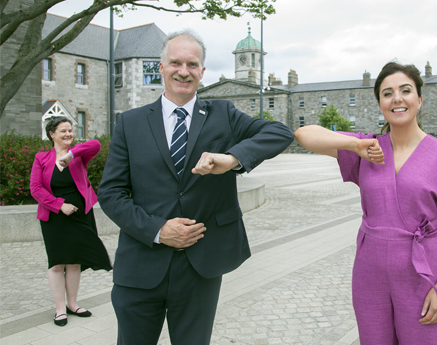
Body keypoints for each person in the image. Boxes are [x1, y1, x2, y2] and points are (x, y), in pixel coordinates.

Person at [97, 29, 293, 345]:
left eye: (192, 64)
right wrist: (159, 230)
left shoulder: (223, 114)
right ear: (161, 68)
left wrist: (232, 158)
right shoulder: (130, 123)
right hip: (141, 264)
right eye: (175, 62)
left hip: (200, 266)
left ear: (203, 72)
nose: (183, 71)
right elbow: (110, 193)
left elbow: (280, 133)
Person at [294, 62, 437, 344]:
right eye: (387, 93)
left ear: (419, 99)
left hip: (423, 271)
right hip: (370, 271)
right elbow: (303, 135)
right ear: (380, 103)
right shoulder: (367, 148)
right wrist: (353, 145)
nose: (397, 98)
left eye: (405, 90)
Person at [30, 116, 112, 326]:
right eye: (62, 131)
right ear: (51, 134)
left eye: (70, 130)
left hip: (80, 213)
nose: (68, 134)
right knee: (57, 263)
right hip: (54, 216)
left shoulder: (78, 155)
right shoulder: (41, 158)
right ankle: (60, 309)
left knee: (75, 262)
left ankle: (73, 304)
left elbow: (96, 145)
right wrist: (59, 205)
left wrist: (71, 154)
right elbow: (36, 189)